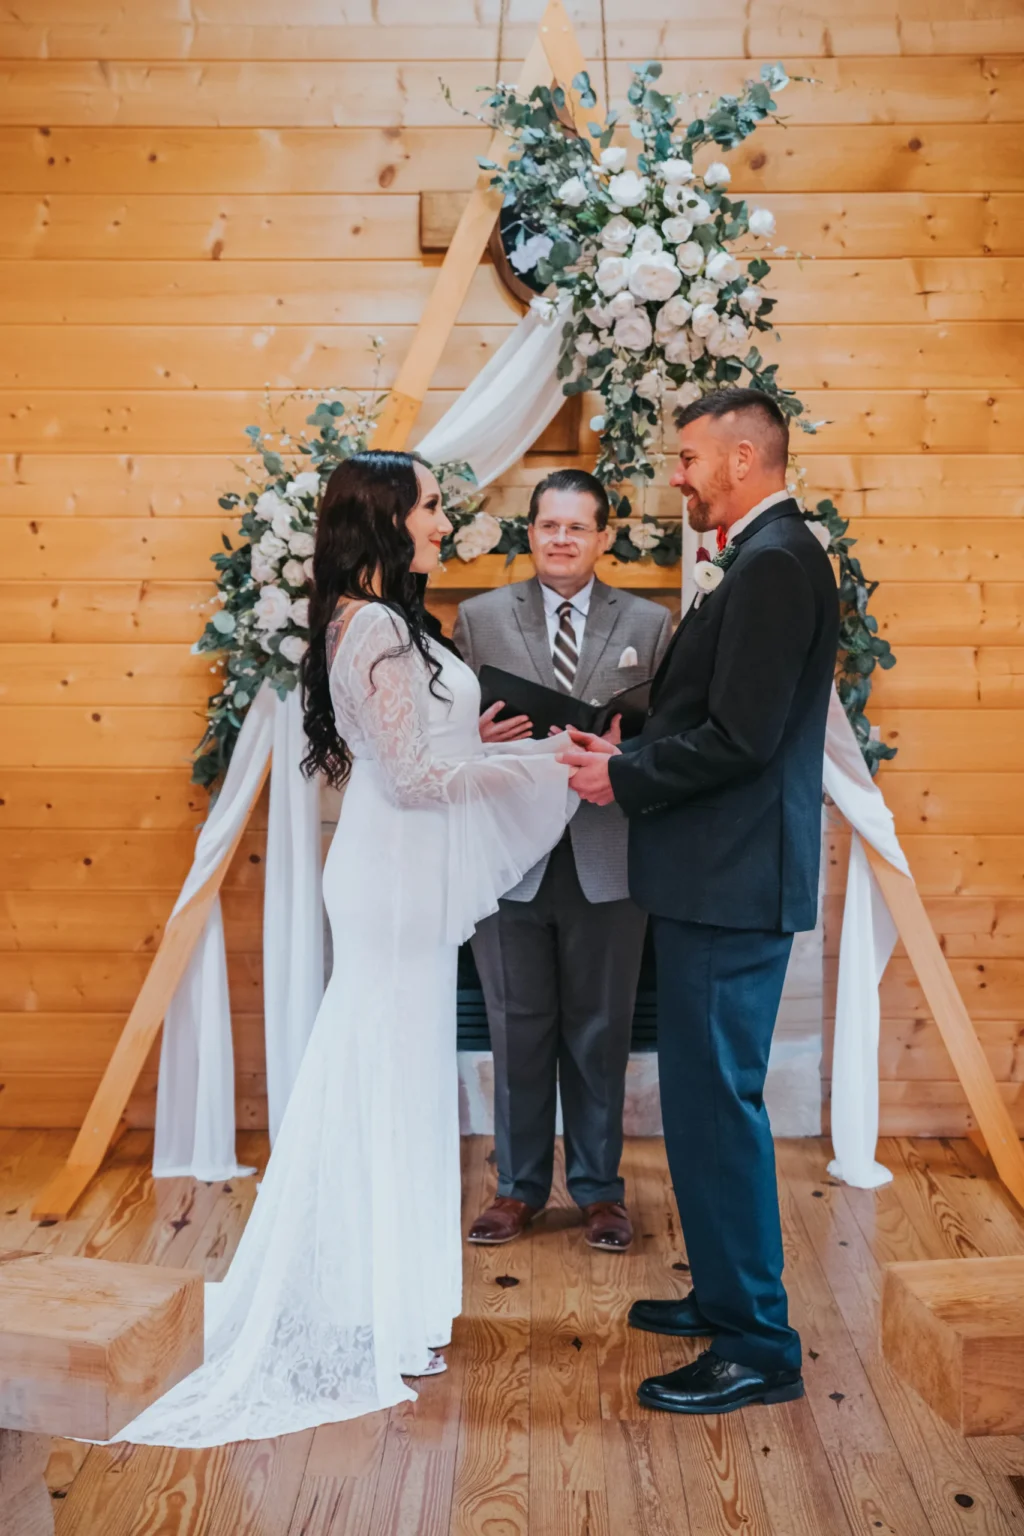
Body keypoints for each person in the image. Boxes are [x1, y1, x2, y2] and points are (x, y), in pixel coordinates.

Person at [109, 451, 576, 1446]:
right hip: (392, 872)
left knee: (395, 1078)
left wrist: (486, 745)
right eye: (435, 506)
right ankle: (367, 1301)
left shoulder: (381, 620)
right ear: (389, 517)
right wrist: (533, 764)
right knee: (383, 1079)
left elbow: (420, 752)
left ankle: (388, 1297)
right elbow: (411, 781)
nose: (446, 521)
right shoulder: (371, 626)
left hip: (397, 872)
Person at [560, 389, 839, 1416]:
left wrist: (619, 782)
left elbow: (742, 741)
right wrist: (628, 746)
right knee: (699, 1103)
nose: (676, 475)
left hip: (730, 884)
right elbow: (716, 717)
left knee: (718, 1110)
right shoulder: (760, 560)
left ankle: (759, 1343)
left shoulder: (773, 566)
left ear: (739, 454)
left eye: (686, 457)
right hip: (711, 877)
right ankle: (725, 1299)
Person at [453, 469, 671, 1252]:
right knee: (516, 1027)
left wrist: (630, 750)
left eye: (578, 527)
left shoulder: (651, 621)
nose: (561, 539)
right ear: (531, 531)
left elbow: (671, 733)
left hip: (606, 856)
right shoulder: (477, 619)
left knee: (601, 1029)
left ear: (603, 537)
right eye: (549, 525)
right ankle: (515, 1189)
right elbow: (447, 733)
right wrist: (477, 737)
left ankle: (600, 1191)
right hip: (508, 858)